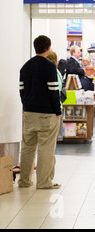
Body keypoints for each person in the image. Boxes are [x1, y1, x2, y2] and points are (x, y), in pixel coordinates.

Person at [18, 35, 62, 189]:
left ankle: (24, 181)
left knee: (27, 147)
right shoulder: (49, 66)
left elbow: (21, 90)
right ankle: (43, 182)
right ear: (48, 48)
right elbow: (53, 91)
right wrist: (57, 111)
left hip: (28, 112)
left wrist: (27, 105)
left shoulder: (25, 66)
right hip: (47, 114)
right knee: (46, 148)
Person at [46, 50, 64, 142]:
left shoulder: (54, 73)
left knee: (51, 140)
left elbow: (55, 92)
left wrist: (57, 111)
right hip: (56, 108)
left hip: (54, 109)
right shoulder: (56, 72)